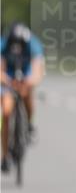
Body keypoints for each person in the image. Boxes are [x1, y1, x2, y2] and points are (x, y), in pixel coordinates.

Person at [1, 22, 45, 173]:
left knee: (27, 94)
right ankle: (5, 156)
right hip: (8, 78)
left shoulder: (34, 45)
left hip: (25, 76)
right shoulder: (3, 44)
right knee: (6, 112)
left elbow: (38, 71)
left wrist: (29, 81)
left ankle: (29, 125)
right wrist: (7, 80)